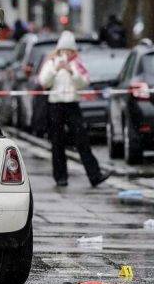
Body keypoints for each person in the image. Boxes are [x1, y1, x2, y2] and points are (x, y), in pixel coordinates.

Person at [38, 31, 112, 188]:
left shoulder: (77, 64)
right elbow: (44, 82)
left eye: (69, 50)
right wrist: (55, 69)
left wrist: (72, 72)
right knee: (57, 142)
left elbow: (84, 83)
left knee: (82, 141)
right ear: (59, 50)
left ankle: (95, 175)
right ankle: (60, 177)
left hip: (72, 104)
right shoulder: (51, 62)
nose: (66, 53)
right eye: (63, 50)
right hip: (55, 105)